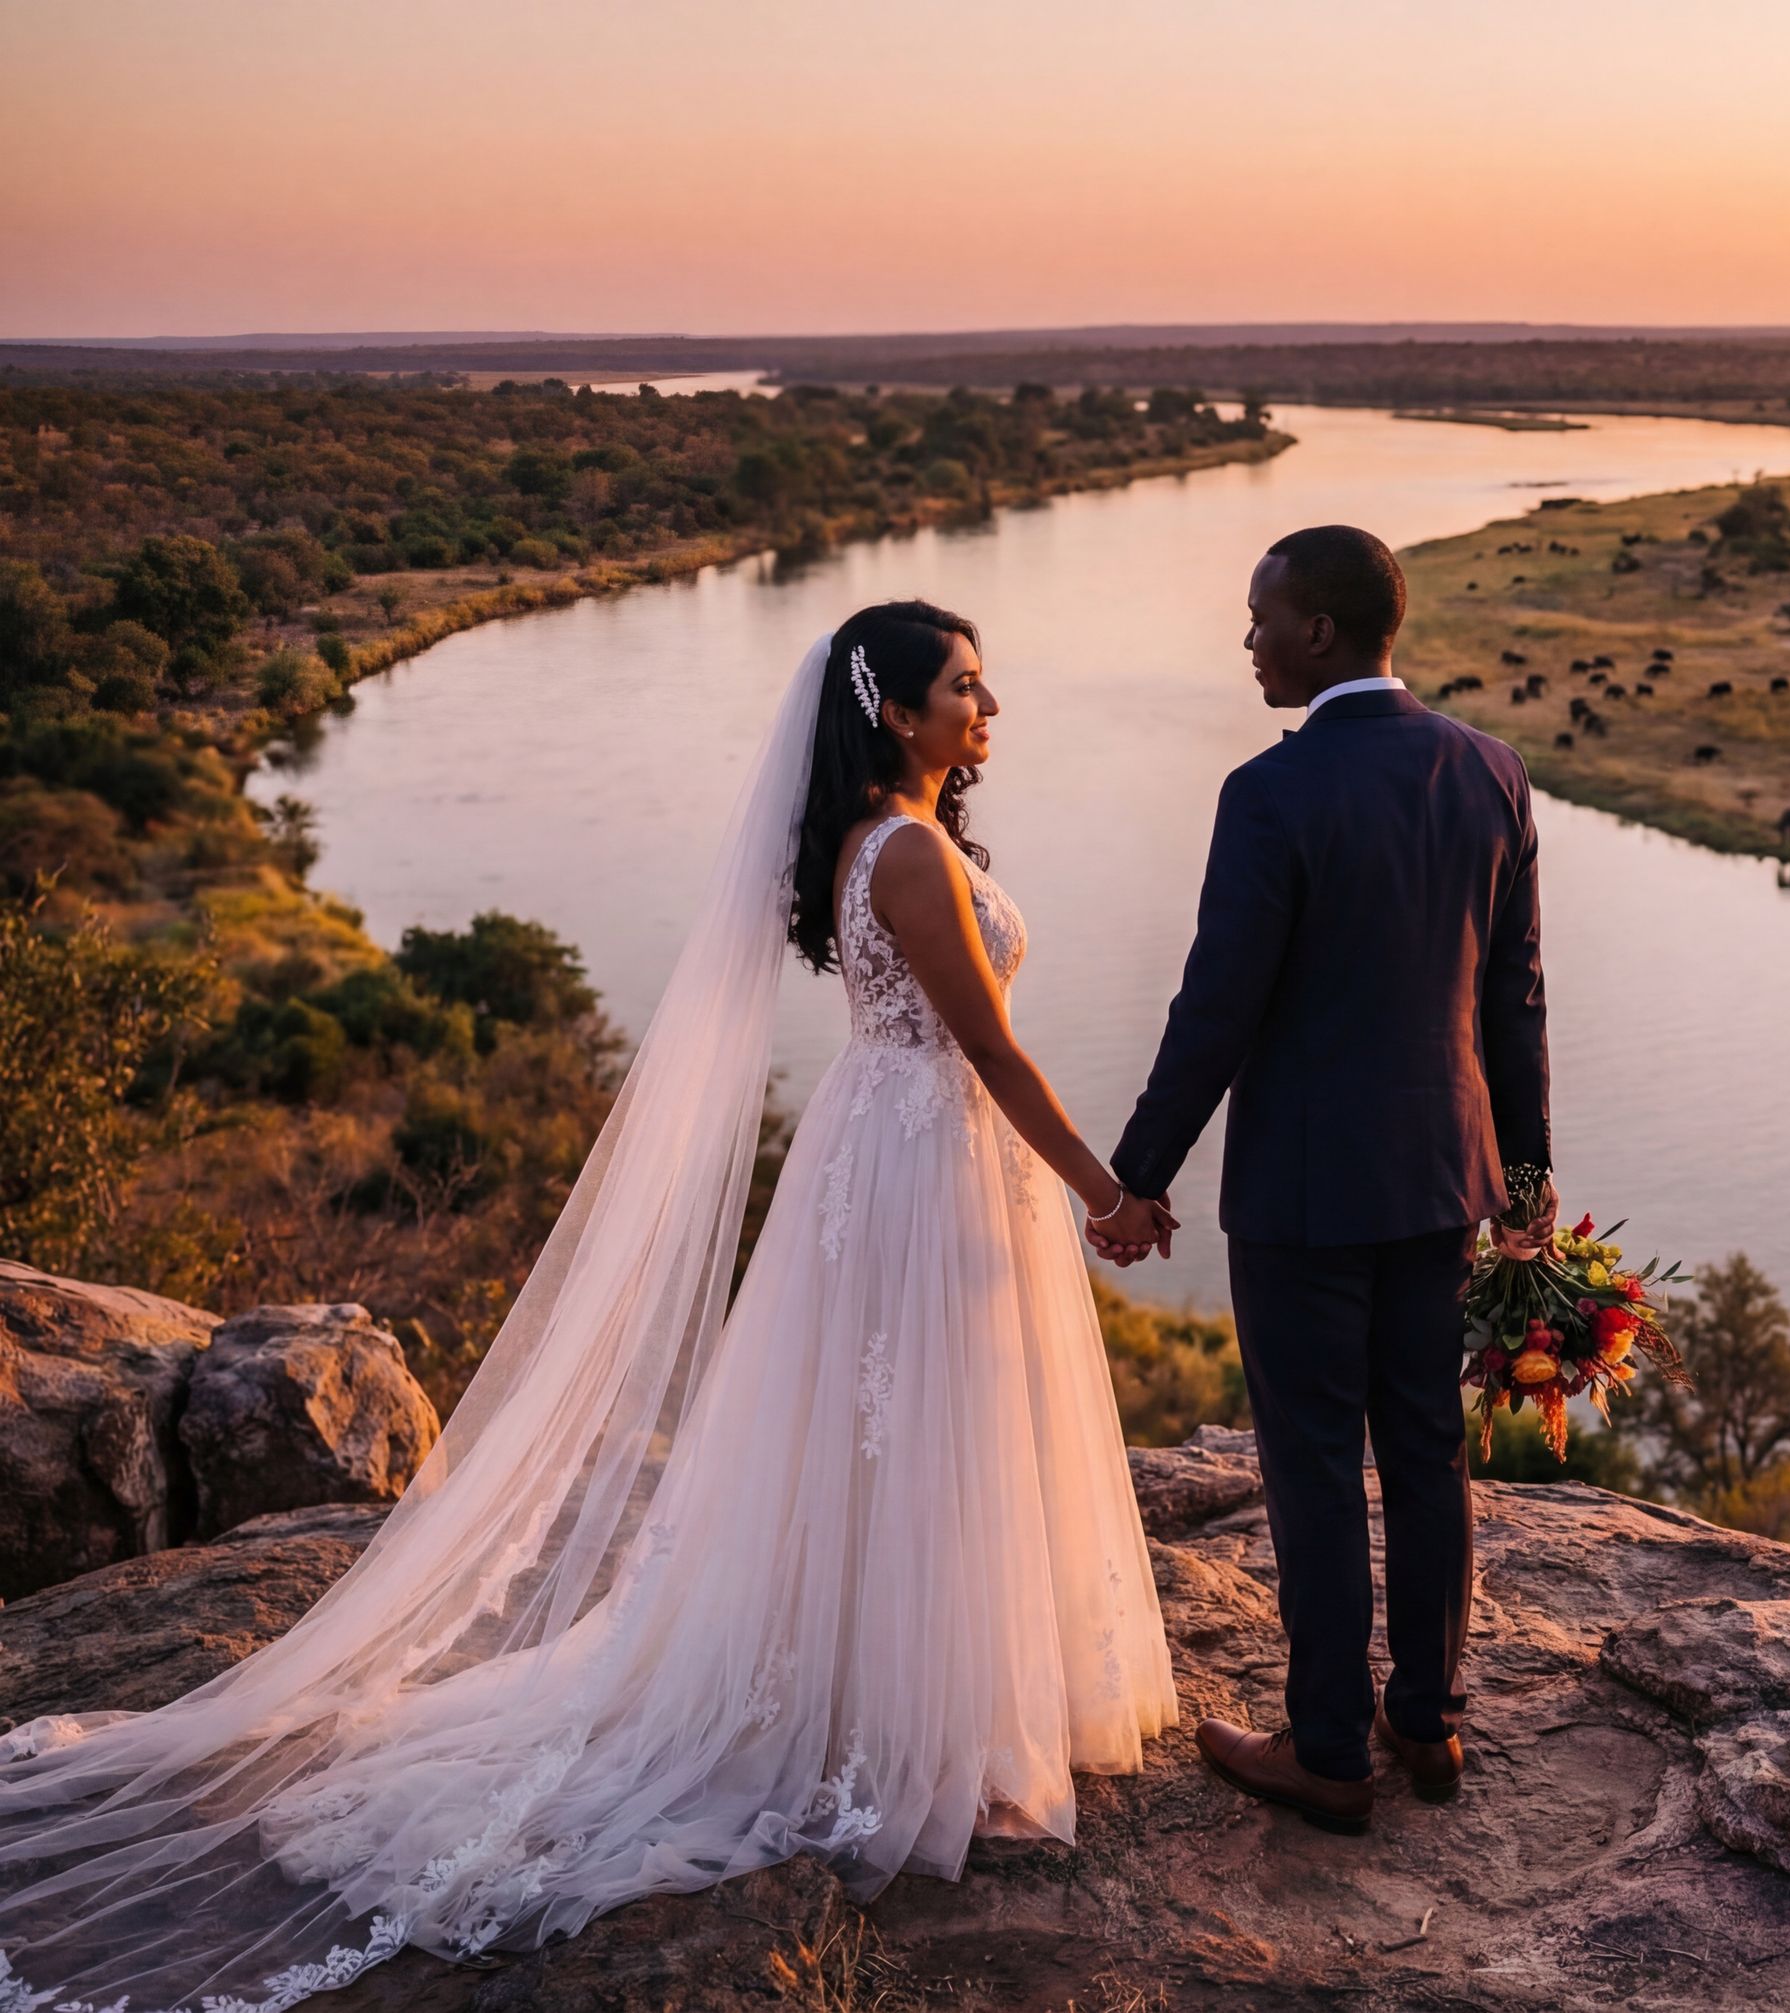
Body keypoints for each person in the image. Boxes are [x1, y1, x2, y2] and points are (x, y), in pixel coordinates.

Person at [0, 603, 1175, 2008]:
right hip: (923, 1152)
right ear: (895, 714)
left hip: (897, 1148)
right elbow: (985, 1044)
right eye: (965, 688)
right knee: (920, 1421)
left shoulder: (877, 841)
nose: (989, 708)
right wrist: (1111, 1192)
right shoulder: (908, 849)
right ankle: (917, 1732)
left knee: (904, 1430)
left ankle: (919, 1701)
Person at [1104, 525, 1552, 1834]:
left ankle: (1327, 1751)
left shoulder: (1271, 794)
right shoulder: (1493, 772)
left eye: (1258, 617)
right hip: (1444, 1181)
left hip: (1304, 1195)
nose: (1245, 640)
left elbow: (1216, 1012)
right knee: (1427, 1448)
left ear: (1316, 632)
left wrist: (1136, 1177)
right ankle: (1427, 1719)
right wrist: (1525, 1185)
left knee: (1310, 1463)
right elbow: (1515, 1003)